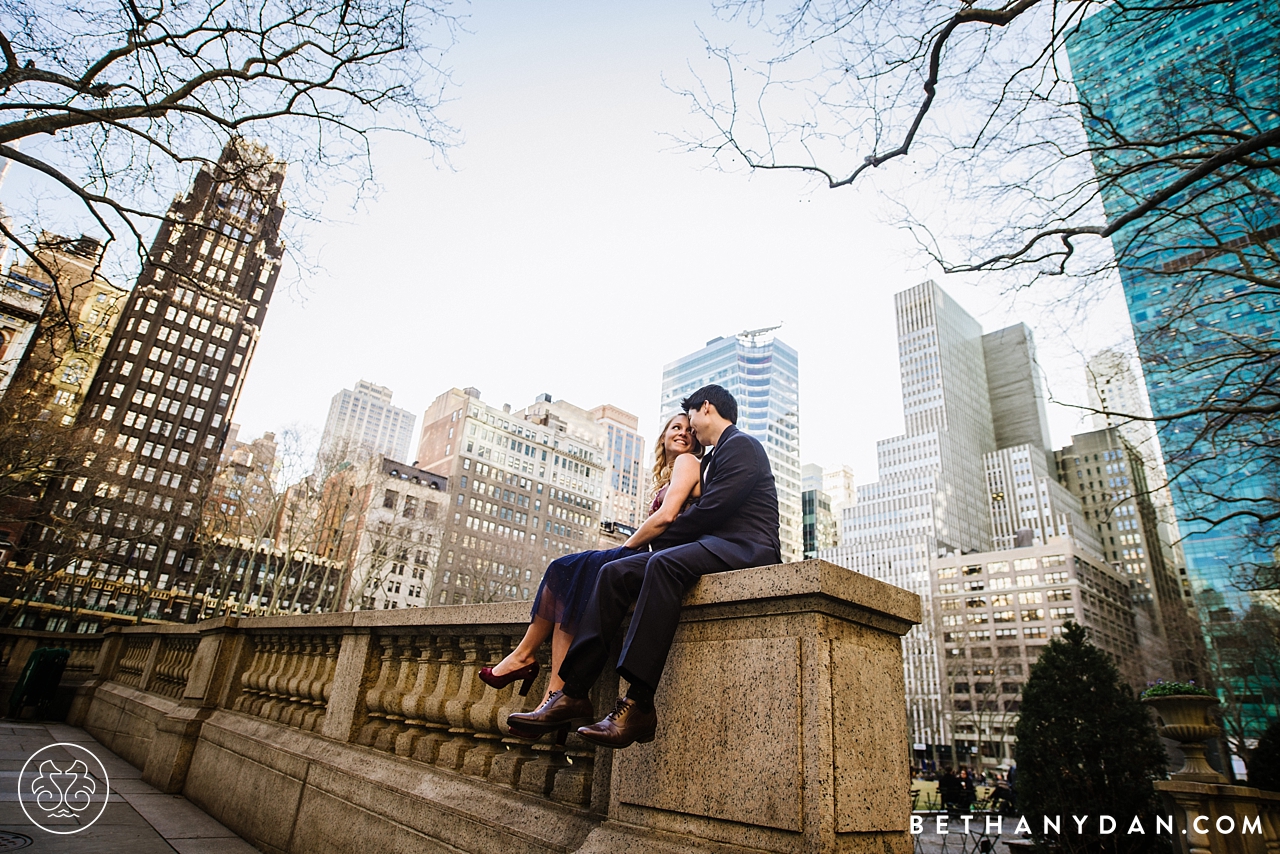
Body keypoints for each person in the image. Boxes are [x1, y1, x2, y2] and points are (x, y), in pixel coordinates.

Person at [507, 384, 781, 748]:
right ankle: (572, 693)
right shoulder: (713, 459)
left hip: (748, 548)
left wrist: (656, 544)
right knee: (614, 572)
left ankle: (638, 704)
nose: (691, 428)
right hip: (713, 545)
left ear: (706, 408)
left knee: (662, 565)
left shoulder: (742, 445)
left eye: (692, 418)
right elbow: (702, 516)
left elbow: (712, 511)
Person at [478, 413, 703, 711]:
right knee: (569, 580)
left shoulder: (689, 463)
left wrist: (625, 546)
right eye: (676, 427)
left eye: (689, 430)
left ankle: (532, 667)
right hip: (654, 557)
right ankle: (549, 688)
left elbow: (666, 517)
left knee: (566, 569)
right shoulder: (670, 473)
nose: (683, 433)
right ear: (663, 437)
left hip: (661, 559)